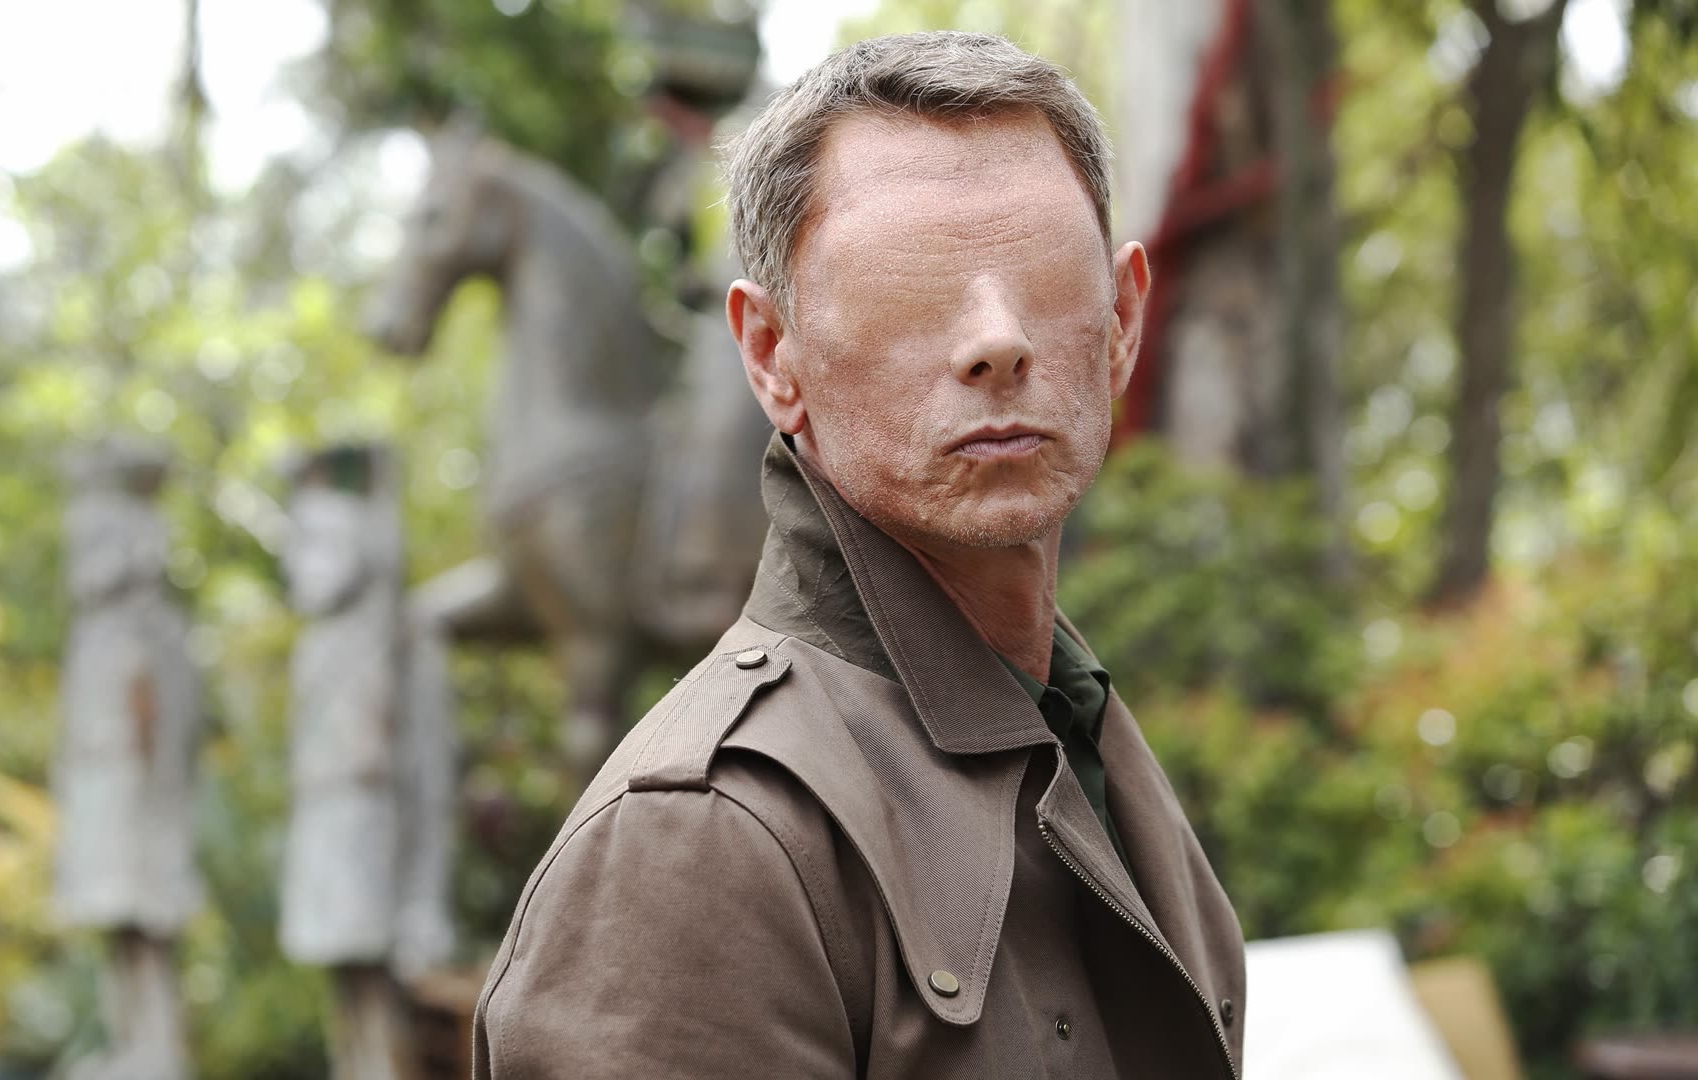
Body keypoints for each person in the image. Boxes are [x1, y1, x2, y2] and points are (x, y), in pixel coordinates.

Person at [472, 31, 1246, 1079]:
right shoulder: (701, 841)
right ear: (770, 356)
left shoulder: (1085, 735)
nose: (997, 339)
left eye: (1040, 270)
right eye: (909, 285)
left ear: (1122, 322)